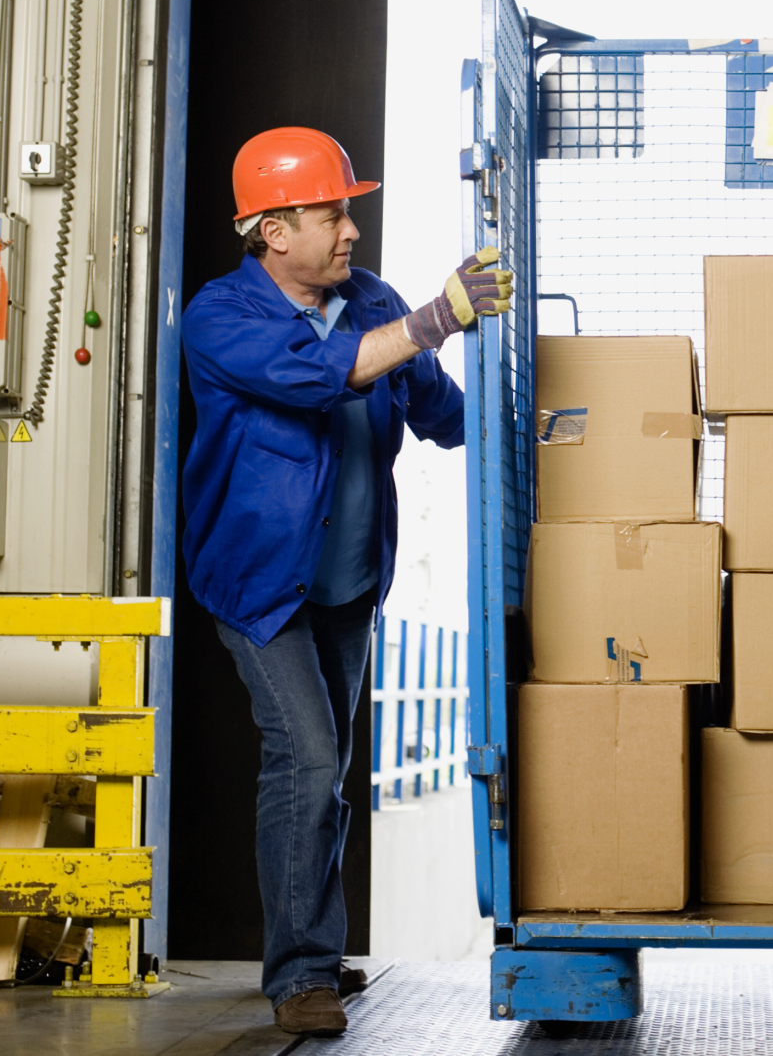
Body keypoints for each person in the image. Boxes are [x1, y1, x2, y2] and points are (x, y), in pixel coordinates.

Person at [181, 127, 511, 1036]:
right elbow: (320, 379)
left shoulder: (373, 299)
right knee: (310, 757)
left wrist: (530, 417)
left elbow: (441, 410)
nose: (351, 228)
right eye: (333, 211)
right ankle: (298, 976)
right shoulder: (221, 319)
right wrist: (431, 322)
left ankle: (317, 952)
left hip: (350, 582)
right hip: (261, 586)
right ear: (273, 229)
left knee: (327, 773)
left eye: (349, 210)